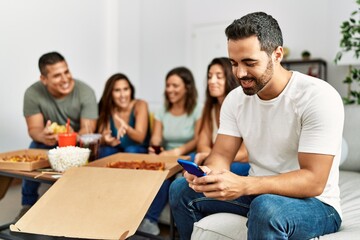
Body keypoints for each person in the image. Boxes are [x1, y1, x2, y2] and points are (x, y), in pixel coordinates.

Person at [169, 12, 344, 240]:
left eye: (250, 63)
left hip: (316, 205)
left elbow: (314, 180)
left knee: (266, 207)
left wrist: (244, 184)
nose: (240, 73)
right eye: (234, 63)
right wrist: (208, 175)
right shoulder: (235, 99)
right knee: (181, 190)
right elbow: (221, 154)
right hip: (258, 193)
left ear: (277, 54)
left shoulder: (318, 97)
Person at [19, 51, 98, 219]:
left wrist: (69, 137)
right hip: (49, 142)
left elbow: (88, 130)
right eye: (57, 75)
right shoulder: (32, 94)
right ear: (44, 79)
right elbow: (34, 129)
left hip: (77, 143)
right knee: (33, 150)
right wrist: (43, 135)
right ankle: (27, 205)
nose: (65, 79)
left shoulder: (85, 92)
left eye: (66, 72)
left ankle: (79, 207)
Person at [138, 66, 202, 235]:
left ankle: (152, 220)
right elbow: (157, 137)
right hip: (166, 156)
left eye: (175, 86)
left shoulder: (198, 109)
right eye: (168, 85)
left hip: (187, 157)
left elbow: (198, 139)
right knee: (163, 177)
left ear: (187, 87)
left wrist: (177, 152)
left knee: (173, 176)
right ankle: (149, 222)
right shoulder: (162, 111)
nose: (170, 90)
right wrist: (154, 144)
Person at [195, 57, 250, 176]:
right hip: (220, 160)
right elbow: (202, 145)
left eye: (219, 76)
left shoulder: (243, 105)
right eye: (209, 76)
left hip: (240, 163)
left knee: (232, 167)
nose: (212, 81)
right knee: (195, 158)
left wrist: (210, 157)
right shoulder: (210, 108)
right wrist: (211, 158)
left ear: (231, 78)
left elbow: (245, 154)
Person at [97, 73, 150, 157]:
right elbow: (102, 135)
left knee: (130, 151)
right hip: (116, 149)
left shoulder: (140, 105)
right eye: (117, 90)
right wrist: (106, 139)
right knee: (104, 151)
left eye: (126, 89)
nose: (123, 95)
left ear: (131, 90)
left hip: (137, 149)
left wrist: (127, 128)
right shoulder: (107, 108)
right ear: (110, 93)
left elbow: (140, 138)